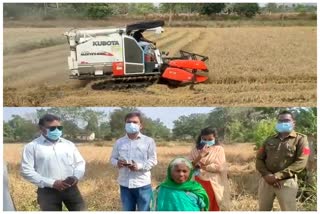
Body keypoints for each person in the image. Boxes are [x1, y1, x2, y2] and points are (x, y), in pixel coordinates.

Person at [20, 114, 86, 211]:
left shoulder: (69, 145)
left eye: (59, 127)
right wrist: (52, 183)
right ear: (41, 129)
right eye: (52, 128)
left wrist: (75, 177)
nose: (57, 130)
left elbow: (80, 163)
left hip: (71, 188)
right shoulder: (31, 147)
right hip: (47, 192)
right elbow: (26, 171)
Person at [256, 110, 310, 211]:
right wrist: (267, 175)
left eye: (287, 120)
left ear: (294, 123)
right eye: (280, 121)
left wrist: (277, 176)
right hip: (266, 181)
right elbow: (259, 159)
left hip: (287, 182)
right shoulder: (269, 140)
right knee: (263, 209)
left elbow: (301, 162)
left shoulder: (301, 139)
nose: (283, 123)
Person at [110, 112, 157, 211]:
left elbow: (153, 160)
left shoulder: (148, 141)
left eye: (135, 122)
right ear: (125, 124)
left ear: (141, 126)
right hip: (124, 185)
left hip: (143, 184)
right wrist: (117, 163)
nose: (131, 124)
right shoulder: (119, 142)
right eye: (129, 122)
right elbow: (112, 159)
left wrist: (139, 166)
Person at [188, 127, 230, 211]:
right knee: (199, 205)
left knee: (213, 205)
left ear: (214, 138)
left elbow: (220, 167)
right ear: (201, 138)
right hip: (198, 181)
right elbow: (188, 165)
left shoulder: (219, 149)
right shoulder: (195, 150)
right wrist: (200, 156)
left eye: (210, 139)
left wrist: (203, 166)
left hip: (213, 182)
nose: (207, 141)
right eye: (204, 139)